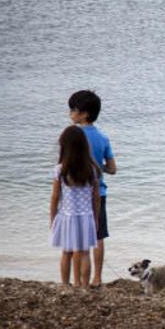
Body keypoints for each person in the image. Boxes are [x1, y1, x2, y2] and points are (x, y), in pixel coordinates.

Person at [68, 90, 116, 287]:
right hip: (99, 193)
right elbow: (112, 169)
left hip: (76, 193)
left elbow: (65, 165)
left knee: (77, 237)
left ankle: (77, 279)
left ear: (84, 114)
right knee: (98, 235)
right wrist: (98, 166)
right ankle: (97, 278)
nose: (70, 113)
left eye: (73, 110)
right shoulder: (103, 138)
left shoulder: (72, 136)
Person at [50, 125, 101, 288]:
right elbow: (96, 198)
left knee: (66, 252)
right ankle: (84, 285)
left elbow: (55, 197)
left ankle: (66, 284)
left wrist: (52, 218)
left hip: (67, 216)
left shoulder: (60, 170)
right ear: (84, 146)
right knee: (85, 252)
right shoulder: (92, 170)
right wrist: (96, 217)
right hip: (86, 216)